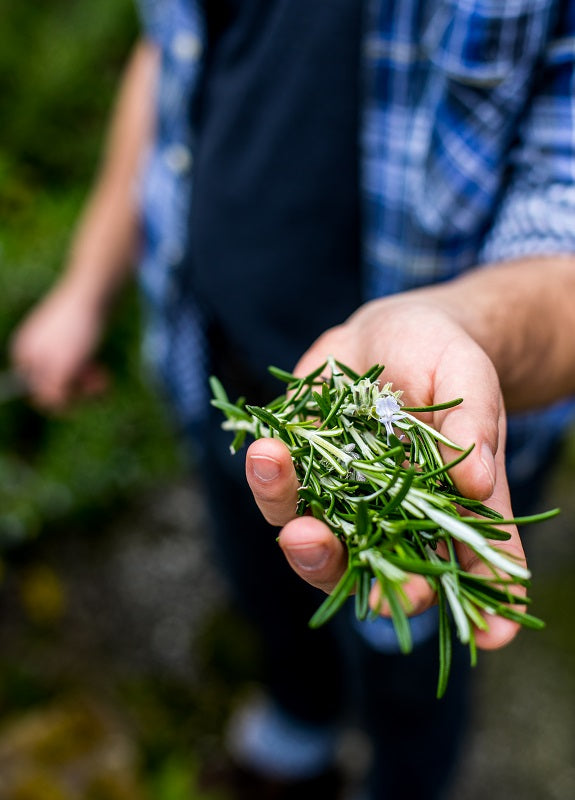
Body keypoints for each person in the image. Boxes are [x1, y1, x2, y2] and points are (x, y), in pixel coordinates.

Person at [11, 1, 575, 798]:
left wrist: (458, 323)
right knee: (266, 568)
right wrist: (84, 283)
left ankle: (404, 780)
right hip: (212, 357)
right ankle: (299, 719)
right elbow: (168, 48)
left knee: (410, 643)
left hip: (423, 432)